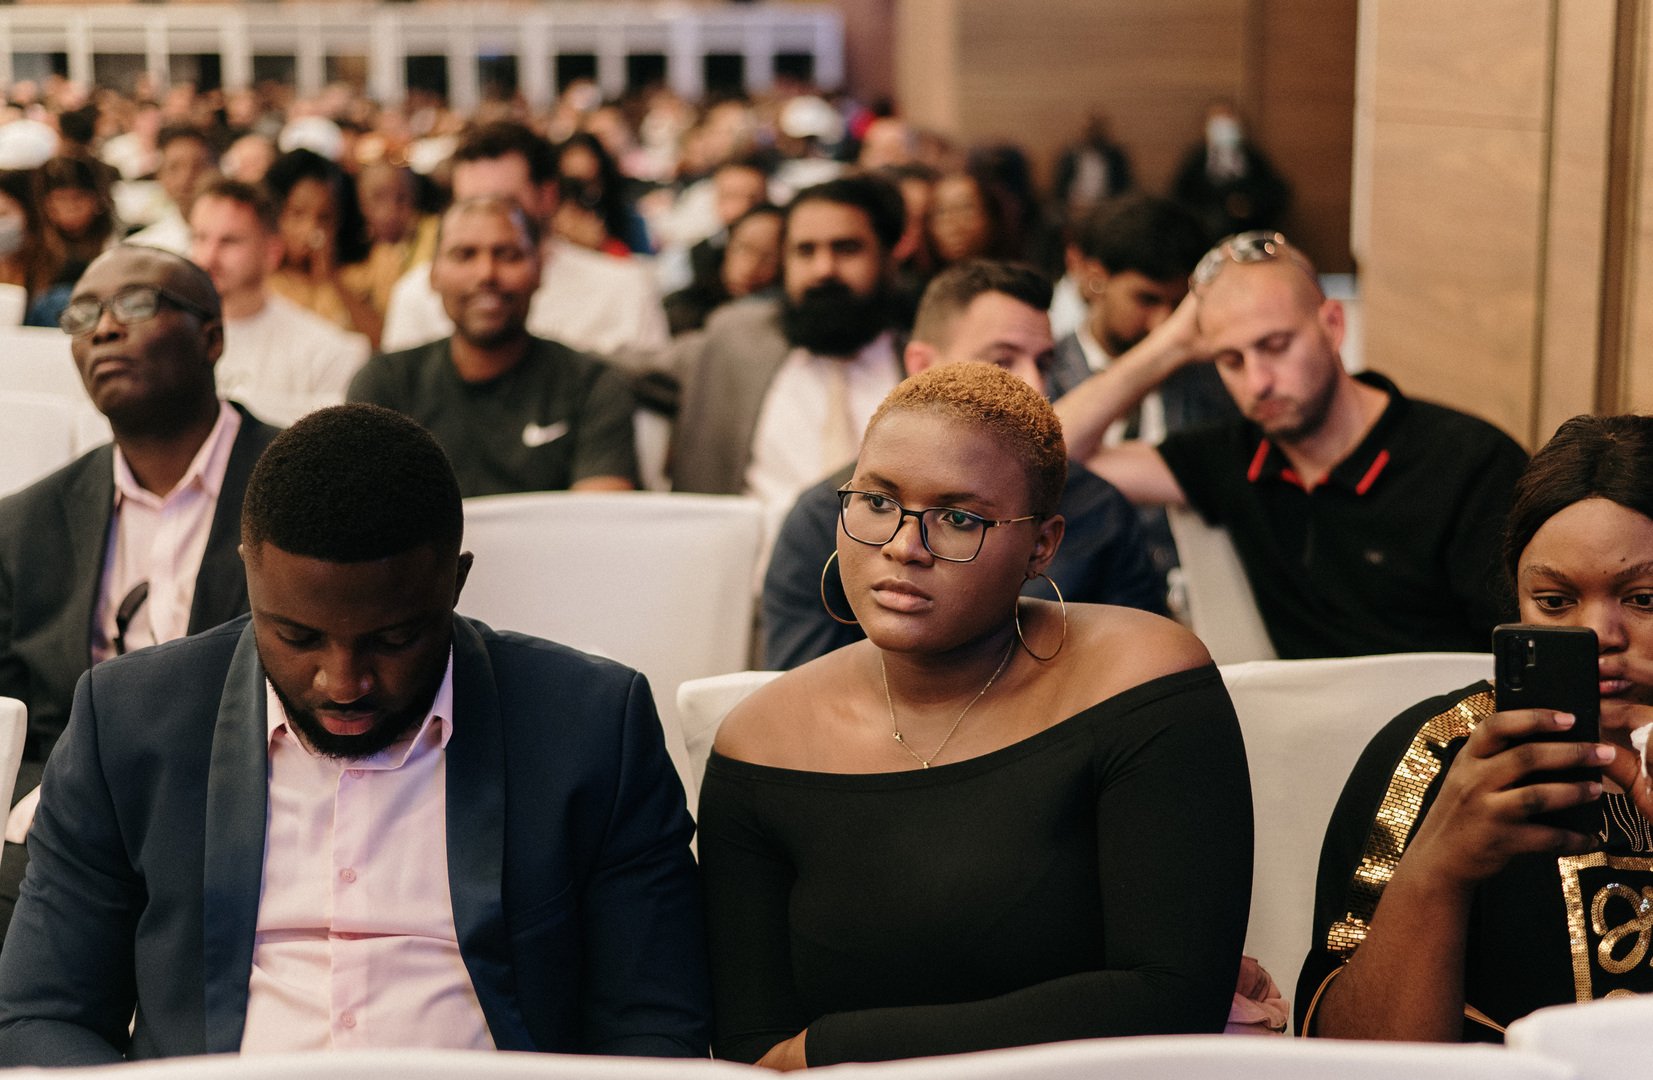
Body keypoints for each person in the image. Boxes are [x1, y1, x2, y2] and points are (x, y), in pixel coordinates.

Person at [0, 403, 712, 1064]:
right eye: (298, 636)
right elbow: (40, 1013)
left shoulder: (591, 727)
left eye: (393, 639)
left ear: (456, 581)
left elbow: (654, 1023)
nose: (343, 683)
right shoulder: (129, 720)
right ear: (250, 575)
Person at [699, 363, 1252, 1067]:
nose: (904, 546)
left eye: (958, 518)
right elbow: (750, 1046)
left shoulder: (1140, 678)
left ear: (1042, 545)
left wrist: (830, 1047)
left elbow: (1172, 996)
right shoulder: (760, 739)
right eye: (877, 501)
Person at [1297, 413, 1653, 1040]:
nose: (1599, 635)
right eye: (1554, 602)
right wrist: (1441, 867)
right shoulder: (1445, 757)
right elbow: (1349, 1059)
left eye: (1645, 599)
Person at [1054, 230, 1529, 658]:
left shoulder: (1469, 460)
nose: (1257, 382)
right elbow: (1051, 454)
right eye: (1231, 360)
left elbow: (1517, 656)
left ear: (1333, 325)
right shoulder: (1233, 455)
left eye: (1276, 346)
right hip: (1301, 722)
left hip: (1453, 722)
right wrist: (1171, 344)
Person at [0, 243, 281, 936]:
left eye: (134, 304)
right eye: (82, 314)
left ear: (210, 338)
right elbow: (12, 714)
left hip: (251, 803)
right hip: (64, 824)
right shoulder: (27, 523)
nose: (103, 328)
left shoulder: (297, 486)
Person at [763, 260, 1164, 670]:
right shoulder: (821, 519)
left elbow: (1140, 675)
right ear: (921, 366)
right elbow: (797, 690)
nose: (1035, 386)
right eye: (1002, 361)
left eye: (1043, 364)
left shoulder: (1098, 508)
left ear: (1042, 544)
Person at [670, 174, 907, 551]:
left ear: (889, 257)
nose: (823, 269)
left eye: (846, 249)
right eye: (805, 251)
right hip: (744, 574)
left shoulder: (922, 366)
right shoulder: (736, 341)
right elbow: (627, 370)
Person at [350, 195, 638, 497]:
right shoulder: (385, 386)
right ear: (434, 275)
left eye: (508, 255)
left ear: (539, 270)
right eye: (464, 255)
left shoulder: (593, 385)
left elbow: (599, 518)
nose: (486, 273)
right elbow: (359, 513)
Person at [380, 121, 668, 357]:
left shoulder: (623, 290)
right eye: (471, 205)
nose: (488, 219)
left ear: (547, 197)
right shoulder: (417, 297)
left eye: (505, 203)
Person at [189, 178, 370, 425]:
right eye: (199, 238)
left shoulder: (327, 353)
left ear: (271, 252)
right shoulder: (167, 340)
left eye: (229, 241)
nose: (208, 256)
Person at [262, 148, 382, 346]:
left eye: (325, 218)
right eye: (297, 214)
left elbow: (382, 342)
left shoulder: (365, 270)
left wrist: (333, 280)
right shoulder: (262, 281)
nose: (311, 230)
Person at [125, 124, 217, 255]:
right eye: (174, 167)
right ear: (160, 175)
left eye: (197, 166)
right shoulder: (142, 248)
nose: (186, 178)